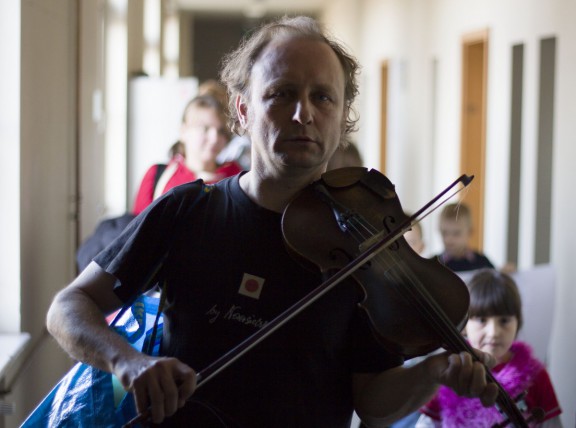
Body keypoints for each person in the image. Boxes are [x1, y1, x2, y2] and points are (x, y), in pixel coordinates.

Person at [46, 16, 500, 428]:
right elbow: (68, 308)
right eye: (282, 94)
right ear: (243, 109)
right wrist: (129, 362)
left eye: (322, 97)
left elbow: (374, 405)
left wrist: (435, 372)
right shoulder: (188, 210)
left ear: (343, 118)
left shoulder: (365, 248)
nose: (304, 114)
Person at [416, 269, 563, 427]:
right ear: (464, 324)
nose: (493, 333)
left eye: (504, 321)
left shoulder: (537, 376)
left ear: (518, 323)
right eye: (481, 320)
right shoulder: (448, 372)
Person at [132, 93, 241, 215]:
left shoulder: (235, 176)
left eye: (221, 131)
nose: (215, 138)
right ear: (183, 132)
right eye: (205, 128)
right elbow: (139, 230)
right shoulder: (156, 175)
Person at [435, 202, 495, 272]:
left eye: (456, 233)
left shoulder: (482, 263)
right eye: (444, 233)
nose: (449, 239)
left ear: (470, 232)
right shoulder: (433, 265)